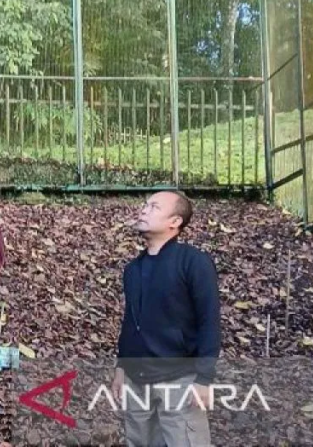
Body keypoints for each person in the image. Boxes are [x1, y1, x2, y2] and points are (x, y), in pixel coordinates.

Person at [112, 190, 220, 447]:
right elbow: (132, 322)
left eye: (154, 207)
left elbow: (209, 321)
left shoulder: (193, 262)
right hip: (136, 379)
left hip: (180, 379)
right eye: (145, 205)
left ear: (175, 222)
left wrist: (204, 378)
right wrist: (121, 367)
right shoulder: (133, 269)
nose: (144, 210)